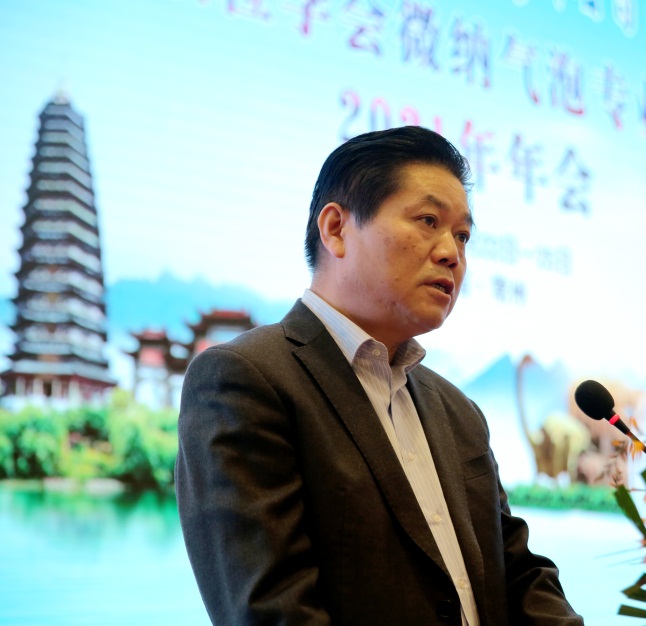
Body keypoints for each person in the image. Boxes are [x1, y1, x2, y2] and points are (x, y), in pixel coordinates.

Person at [175, 126, 584, 626]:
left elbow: (517, 571)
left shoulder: (458, 411)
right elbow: (272, 610)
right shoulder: (246, 379)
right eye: (428, 221)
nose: (452, 253)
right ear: (336, 229)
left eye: (462, 235)